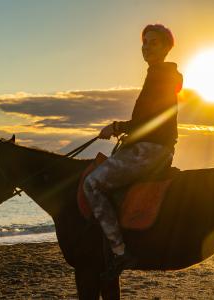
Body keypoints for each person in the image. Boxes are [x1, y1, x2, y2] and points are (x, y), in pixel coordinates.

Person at [83, 24, 183, 276]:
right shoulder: (159, 74)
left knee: (92, 184)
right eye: (145, 42)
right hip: (150, 146)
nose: (147, 47)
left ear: (167, 47)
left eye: (154, 42)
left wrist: (115, 126)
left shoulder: (160, 75)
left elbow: (149, 120)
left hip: (150, 149)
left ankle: (119, 250)